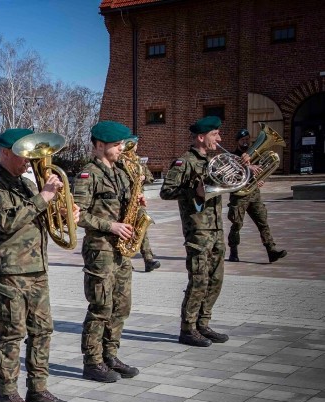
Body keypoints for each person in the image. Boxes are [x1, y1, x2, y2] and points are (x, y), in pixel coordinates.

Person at [0, 128, 73, 402]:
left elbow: (41, 217)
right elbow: (8, 222)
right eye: (22, 153)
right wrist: (44, 197)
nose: (29, 159)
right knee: (12, 335)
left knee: (42, 331)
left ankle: (38, 388)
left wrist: (66, 212)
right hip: (11, 273)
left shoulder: (27, 185)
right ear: (5, 153)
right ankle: (7, 394)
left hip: (36, 269)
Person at [73, 121, 142, 383]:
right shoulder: (88, 175)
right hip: (100, 250)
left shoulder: (122, 171)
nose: (122, 148)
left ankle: (110, 355)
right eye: (117, 145)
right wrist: (110, 226)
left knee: (121, 306)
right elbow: (77, 216)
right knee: (101, 306)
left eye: (122, 144)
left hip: (121, 250)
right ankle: (92, 362)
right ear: (99, 145)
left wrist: (138, 203)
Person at [160, 116, 234, 347]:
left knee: (216, 279)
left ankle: (203, 323)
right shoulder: (184, 162)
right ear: (201, 137)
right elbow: (167, 191)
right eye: (215, 134)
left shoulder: (213, 161)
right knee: (199, 280)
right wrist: (195, 190)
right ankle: (188, 328)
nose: (219, 138)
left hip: (216, 228)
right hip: (198, 231)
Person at [227, 128, 287, 264]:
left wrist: (261, 179)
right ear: (237, 141)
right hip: (239, 195)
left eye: (247, 139)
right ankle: (233, 251)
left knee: (263, 223)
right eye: (243, 140)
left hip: (254, 194)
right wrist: (248, 168)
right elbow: (229, 176)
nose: (246, 142)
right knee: (237, 224)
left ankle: (271, 251)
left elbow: (263, 170)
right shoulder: (232, 156)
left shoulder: (257, 154)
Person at [124, 139, 161, 272]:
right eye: (133, 144)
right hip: (124, 201)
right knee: (126, 231)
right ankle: (125, 260)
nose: (135, 147)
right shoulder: (120, 161)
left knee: (142, 229)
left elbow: (151, 177)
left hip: (138, 201)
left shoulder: (138, 161)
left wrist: (144, 178)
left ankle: (148, 259)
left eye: (136, 144)